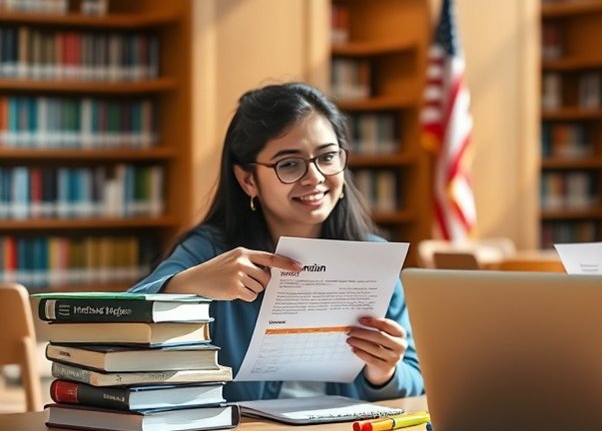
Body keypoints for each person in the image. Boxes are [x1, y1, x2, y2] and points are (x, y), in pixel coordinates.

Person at [131, 82, 424, 402]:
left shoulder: (373, 257)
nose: (314, 177)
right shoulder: (213, 251)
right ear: (247, 180)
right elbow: (118, 320)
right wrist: (187, 284)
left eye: (327, 157)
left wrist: (384, 371)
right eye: (289, 164)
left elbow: (414, 378)